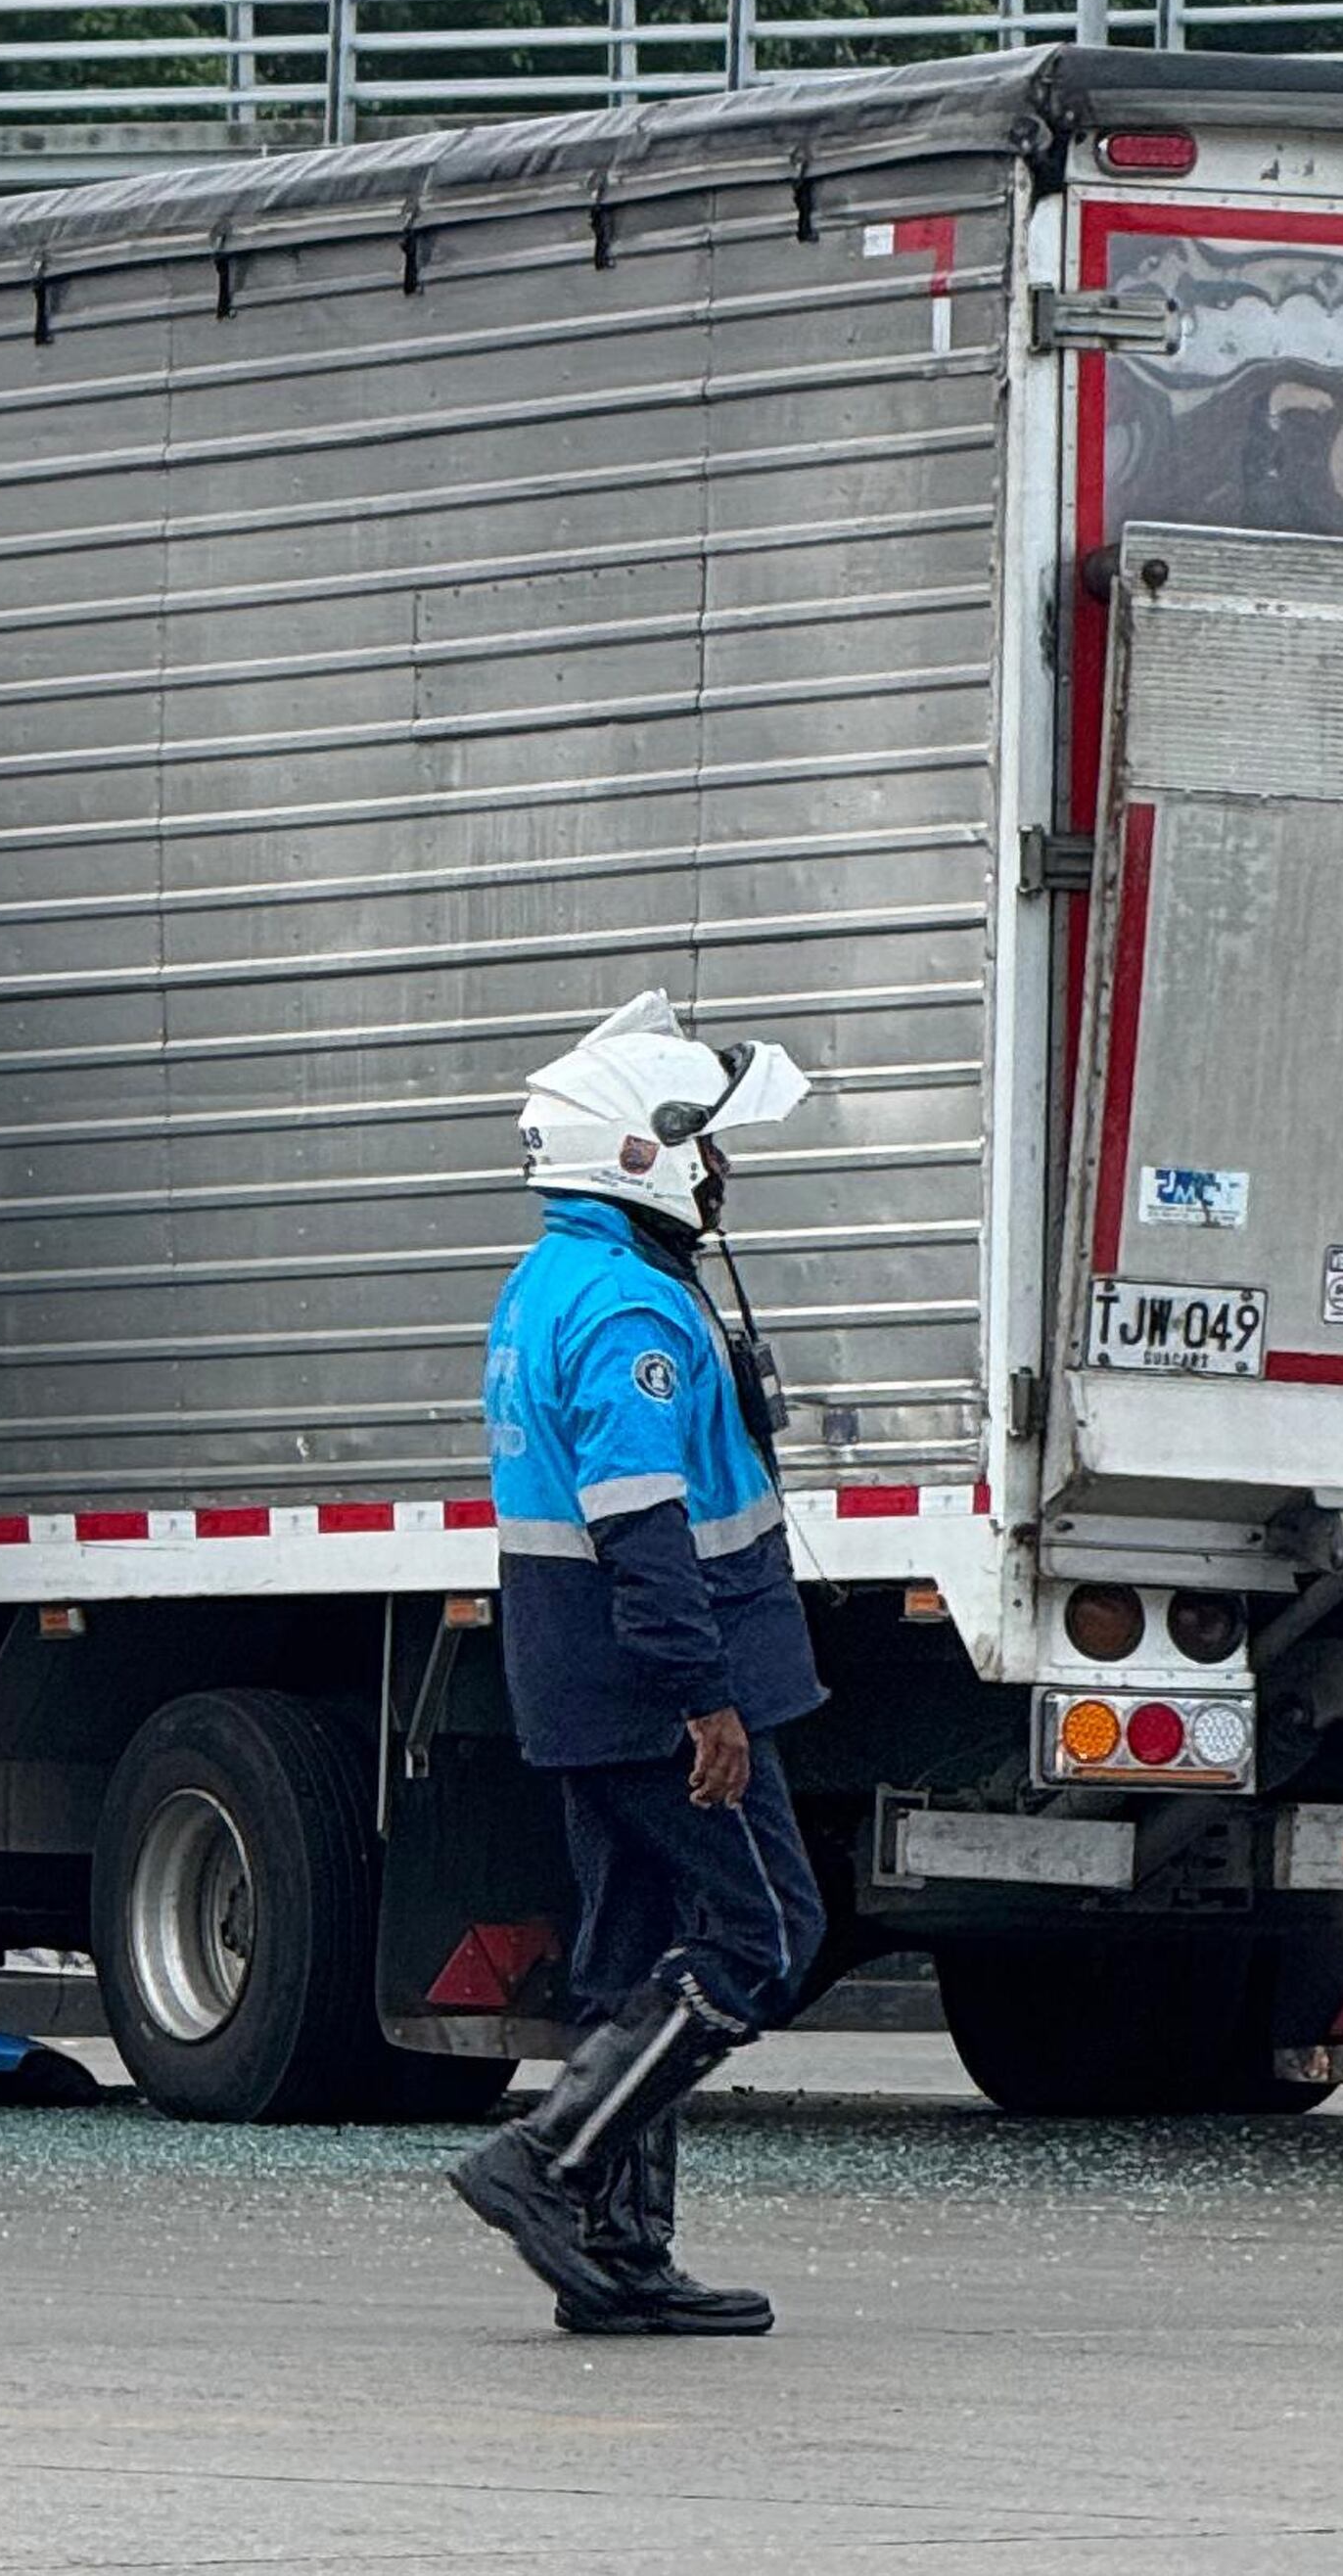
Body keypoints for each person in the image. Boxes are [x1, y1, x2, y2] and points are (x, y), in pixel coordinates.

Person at [449, 991, 828, 2338]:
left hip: (578, 1684)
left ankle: (619, 2252)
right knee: (764, 1934)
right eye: (710, 1146)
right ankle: (546, 2161)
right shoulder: (629, 1309)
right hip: (657, 1685)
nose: (723, 1173)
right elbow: (640, 1521)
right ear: (639, 1149)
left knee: (636, 1954)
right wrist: (705, 1695)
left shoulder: (549, 1278)